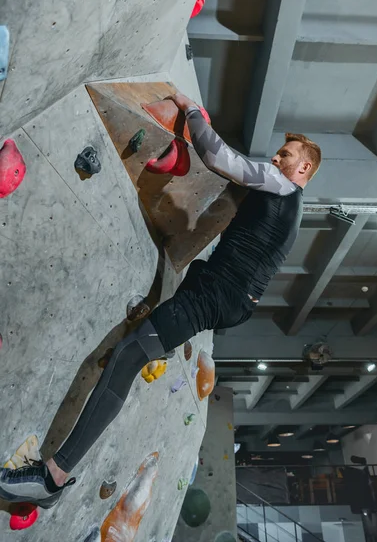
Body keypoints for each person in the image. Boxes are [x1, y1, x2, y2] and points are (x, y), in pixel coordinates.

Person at [0, 93, 322, 509]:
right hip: (226, 294)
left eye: (284, 155)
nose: (276, 160)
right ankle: (57, 470)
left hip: (218, 292)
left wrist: (190, 111)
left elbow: (219, 157)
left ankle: (52, 478)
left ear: (304, 167)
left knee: (127, 355)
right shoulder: (291, 209)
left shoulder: (282, 184)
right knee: (133, 351)